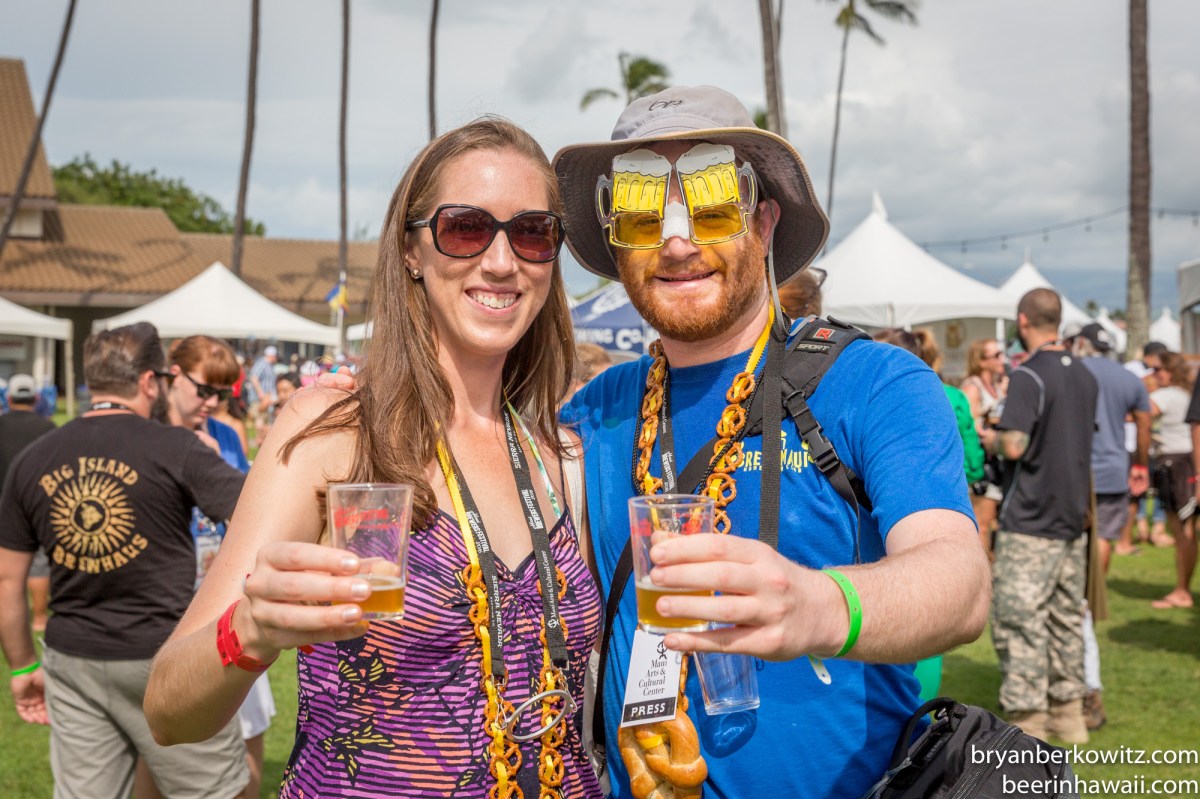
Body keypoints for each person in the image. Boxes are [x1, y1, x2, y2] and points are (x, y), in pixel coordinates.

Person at [144, 118, 604, 799]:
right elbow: (167, 708)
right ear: (412, 250)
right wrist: (249, 629)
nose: (503, 261)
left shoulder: (559, 458)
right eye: (466, 227)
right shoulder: (336, 432)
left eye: (532, 232)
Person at [554, 86, 988, 798]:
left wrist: (817, 605)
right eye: (639, 210)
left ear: (763, 220)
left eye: (713, 201)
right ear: (613, 239)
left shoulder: (873, 382)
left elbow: (959, 583)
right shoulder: (594, 411)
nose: (676, 239)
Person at [0, 322, 250, 799]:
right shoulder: (178, 448)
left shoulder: (32, 459)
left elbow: (7, 580)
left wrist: (19, 668)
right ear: (148, 382)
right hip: (165, 656)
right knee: (219, 792)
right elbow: (257, 516)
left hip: (73, 660)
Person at [154, 335, 275, 799]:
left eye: (222, 394)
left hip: (225, 590)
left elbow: (251, 513)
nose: (211, 402)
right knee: (167, 745)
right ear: (171, 376)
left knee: (248, 731)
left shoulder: (225, 434)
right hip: (171, 598)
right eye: (204, 390)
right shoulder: (152, 435)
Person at [982, 288, 1098, 744]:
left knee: (1019, 617)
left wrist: (989, 437)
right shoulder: (1086, 374)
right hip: (1072, 515)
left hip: (1031, 516)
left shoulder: (1030, 375)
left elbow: (1015, 445)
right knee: (1066, 616)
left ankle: (1029, 725)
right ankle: (1070, 717)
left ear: (1023, 320)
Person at [1063, 321, 1150, 731]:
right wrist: (1140, 462)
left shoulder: (1074, 369)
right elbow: (1144, 417)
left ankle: (1084, 591)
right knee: (1107, 539)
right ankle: (1091, 590)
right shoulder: (1126, 376)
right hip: (1114, 471)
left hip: (1078, 473)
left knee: (1084, 547)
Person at [0, 374, 57, 633]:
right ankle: (39, 619)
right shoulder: (48, 428)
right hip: (36, 502)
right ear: (35, 399)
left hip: (3, 501)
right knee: (39, 562)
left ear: (9, 398)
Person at [1147, 351, 1197, 609]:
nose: (1153, 374)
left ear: (1169, 371)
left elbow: (1140, 412)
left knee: (1181, 532)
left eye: (1157, 369)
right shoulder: (1187, 393)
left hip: (1174, 463)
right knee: (1187, 530)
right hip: (1188, 460)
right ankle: (1183, 588)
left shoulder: (1165, 395)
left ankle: (1182, 591)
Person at [961, 337, 1008, 556]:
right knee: (983, 524)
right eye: (996, 355)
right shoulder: (973, 387)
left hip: (997, 464)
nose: (1002, 359)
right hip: (981, 465)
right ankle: (983, 580)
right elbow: (968, 426)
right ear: (981, 361)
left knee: (992, 523)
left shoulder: (999, 385)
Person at [247, 345, 278, 447]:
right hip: (260, 398)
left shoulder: (269, 365)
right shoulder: (262, 364)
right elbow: (254, 378)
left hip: (266, 398)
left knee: (264, 419)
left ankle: (261, 439)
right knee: (260, 418)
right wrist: (261, 394)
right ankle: (258, 440)